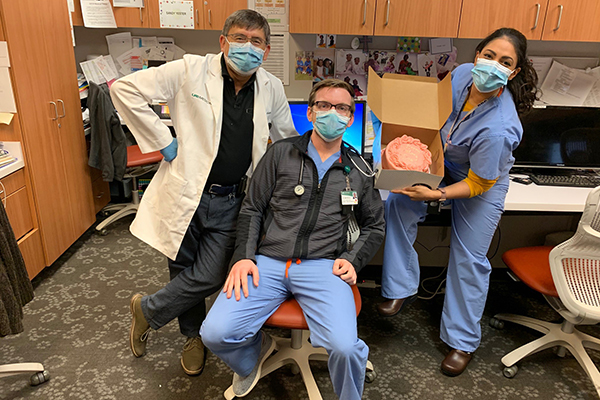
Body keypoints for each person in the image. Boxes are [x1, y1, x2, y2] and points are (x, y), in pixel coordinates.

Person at [110, 9, 297, 376]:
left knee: (211, 274)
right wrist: (162, 141)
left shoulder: (271, 86)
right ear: (223, 41)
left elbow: (286, 138)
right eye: (240, 38)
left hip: (233, 198)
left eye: (256, 42)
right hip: (186, 192)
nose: (247, 47)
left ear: (266, 50)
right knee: (182, 268)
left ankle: (146, 310)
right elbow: (124, 89)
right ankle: (192, 336)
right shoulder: (189, 70)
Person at [200, 79, 385, 399]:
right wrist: (243, 256)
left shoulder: (358, 170)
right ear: (311, 113)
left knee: (345, 348)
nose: (333, 113)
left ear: (350, 118)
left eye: (342, 108)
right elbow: (252, 208)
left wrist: (353, 260)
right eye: (324, 105)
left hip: (324, 266)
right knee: (215, 334)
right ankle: (252, 356)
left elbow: (375, 225)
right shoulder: (280, 154)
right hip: (268, 262)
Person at [377, 28, 539, 376]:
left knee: (469, 258)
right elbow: (433, 116)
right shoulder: (463, 73)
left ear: (514, 73)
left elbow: (479, 182)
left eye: (505, 62)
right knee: (398, 203)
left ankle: (462, 341)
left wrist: (437, 195)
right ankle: (400, 286)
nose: (493, 65)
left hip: (481, 180)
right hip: (443, 161)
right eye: (489, 55)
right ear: (478, 54)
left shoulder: (500, 127)